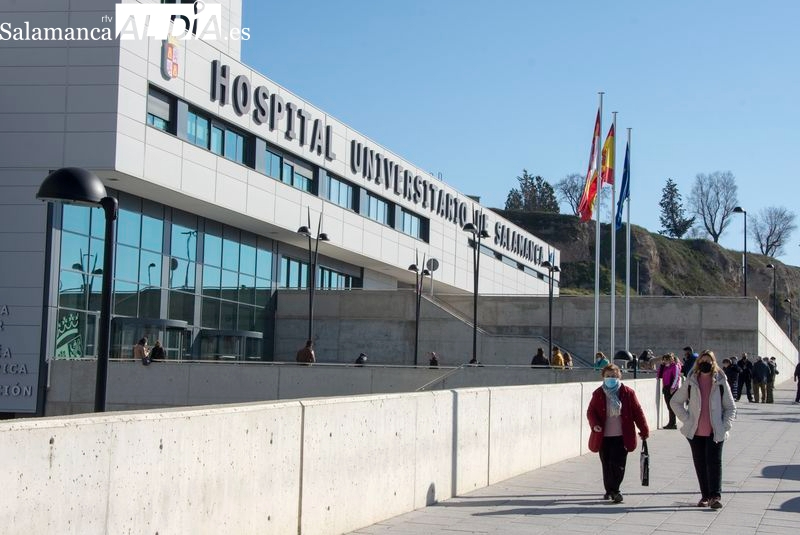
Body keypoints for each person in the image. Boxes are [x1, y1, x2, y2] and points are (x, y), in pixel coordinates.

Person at [669, 349, 736, 509]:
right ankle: (705, 496)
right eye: (702, 361)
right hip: (695, 432)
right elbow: (675, 401)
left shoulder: (720, 380)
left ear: (714, 363)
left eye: (708, 361)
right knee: (700, 463)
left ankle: (715, 496)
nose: (705, 363)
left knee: (714, 463)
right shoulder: (692, 381)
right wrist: (687, 419)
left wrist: (725, 425)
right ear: (698, 363)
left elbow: (730, 407)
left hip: (715, 431)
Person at [586, 364, 649, 504]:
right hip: (603, 436)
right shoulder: (598, 393)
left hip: (622, 436)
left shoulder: (628, 393)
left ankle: (615, 490)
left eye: (614, 376)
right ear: (603, 377)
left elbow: (638, 412)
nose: (611, 379)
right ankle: (609, 490)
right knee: (607, 463)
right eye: (608, 376)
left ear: (619, 376)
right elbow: (591, 412)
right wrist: (594, 424)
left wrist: (643, 429)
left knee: (619, 464)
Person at [657, 353, 681, 429]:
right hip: (666, 388)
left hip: (671, 389)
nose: (666, 361)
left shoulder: (674, 366)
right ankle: (671, 423)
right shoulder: (665, 367)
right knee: (669, 406)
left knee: (671, 406)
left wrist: (673, 388)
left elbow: (677, 377)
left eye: (667, 359)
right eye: (665, 359)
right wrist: (661, 365)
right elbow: (659, 376)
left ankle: (673, 423)